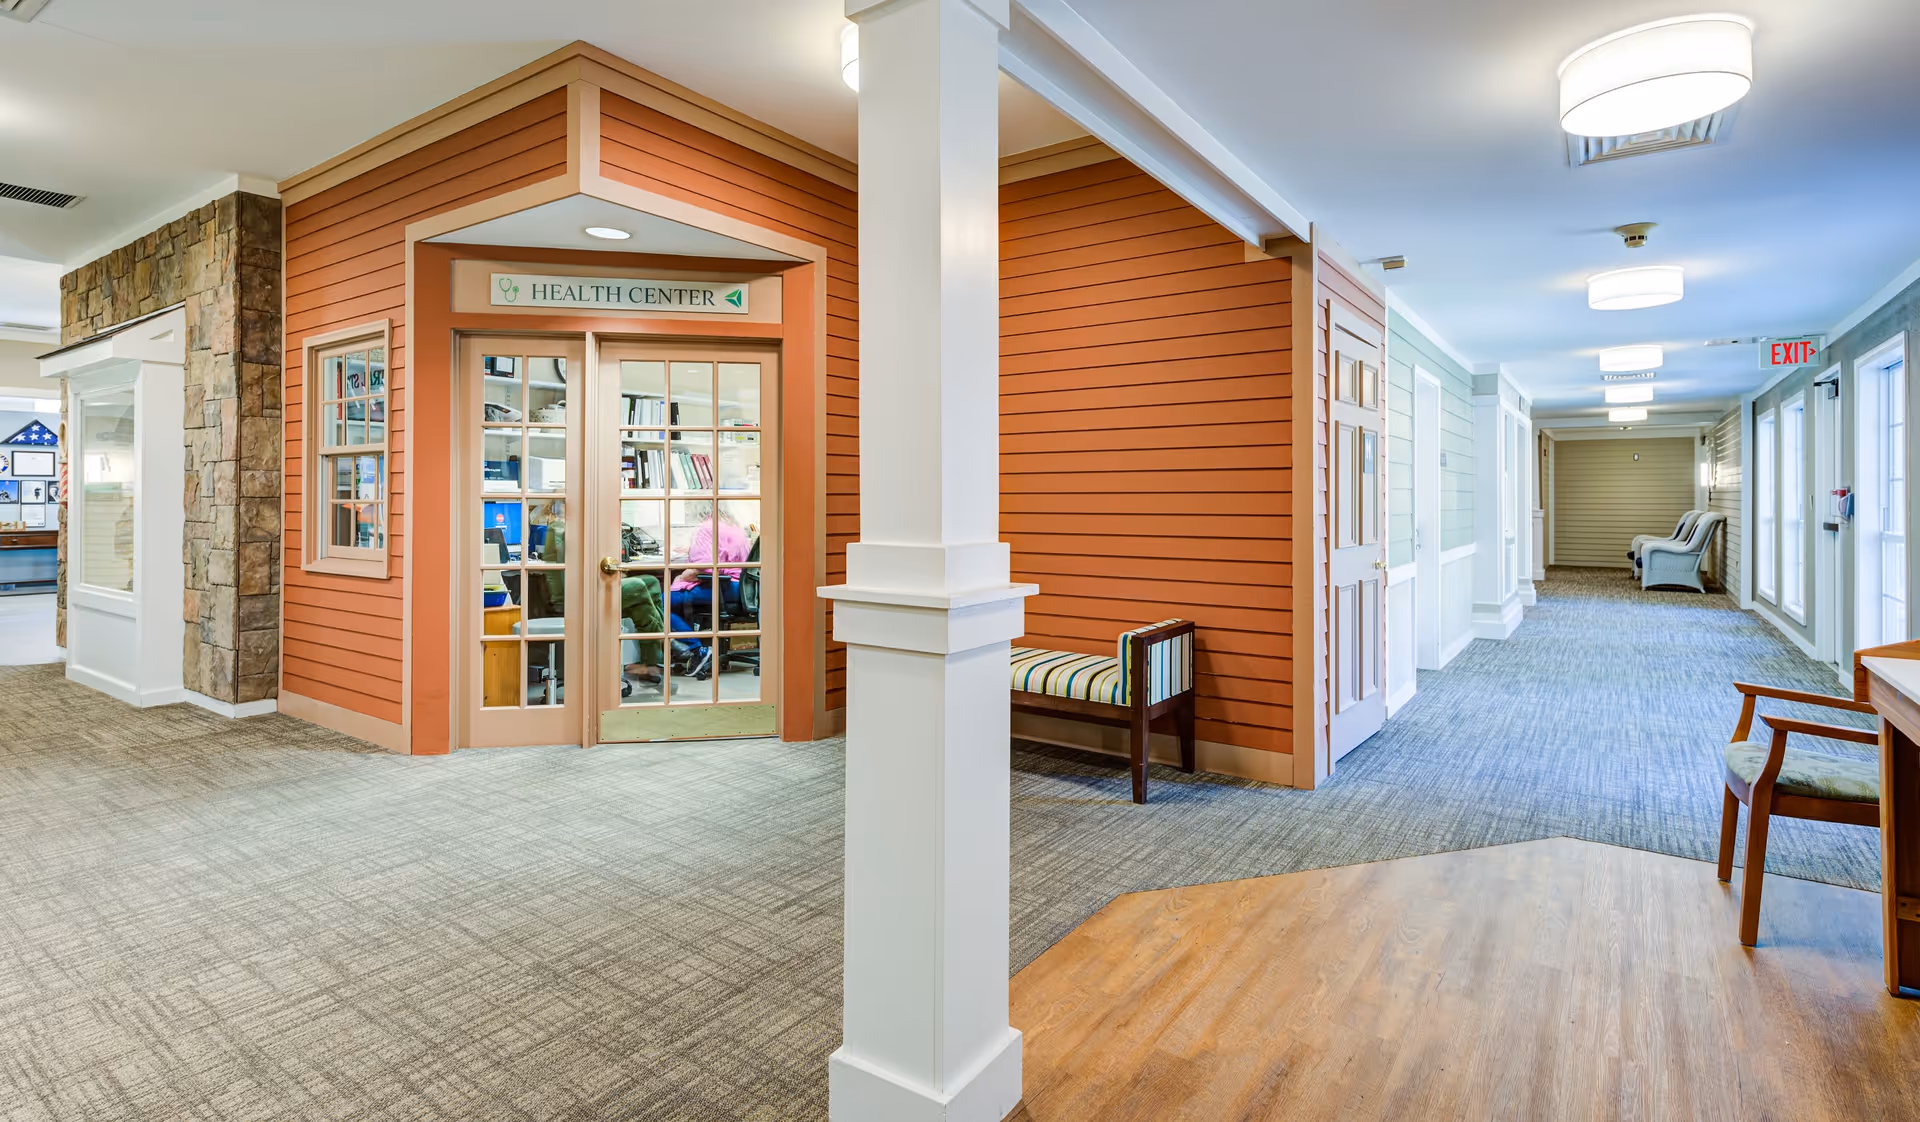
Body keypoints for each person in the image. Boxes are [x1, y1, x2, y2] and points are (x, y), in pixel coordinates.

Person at [669, 503, 751, 679]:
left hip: (722, 588)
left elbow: (704, 565)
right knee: (675, 601)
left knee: (660, 601)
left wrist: (684, 576)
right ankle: (685, 655)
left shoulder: (704, 528)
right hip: (743, 590)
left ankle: (697, 650)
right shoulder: (734, 528)